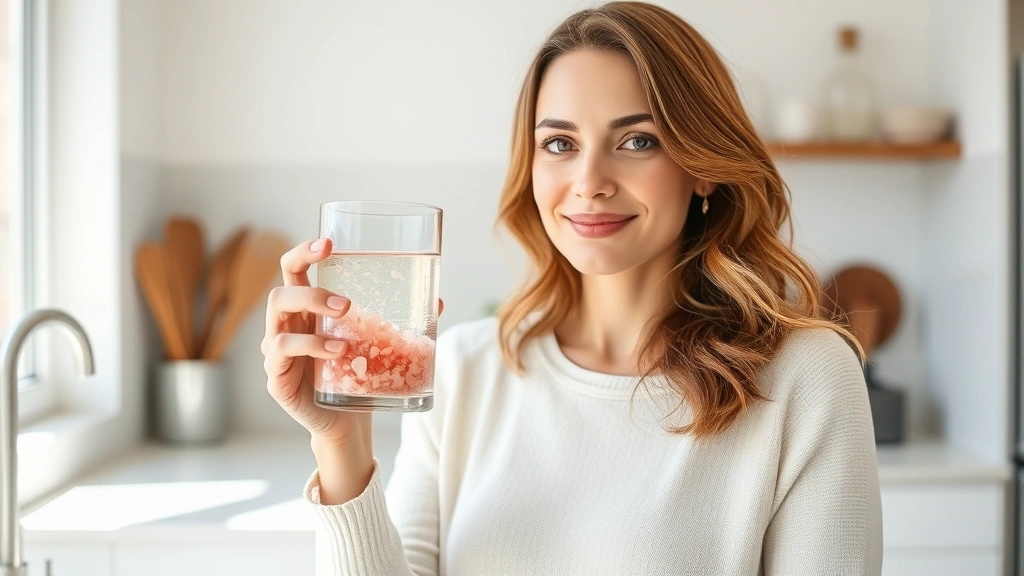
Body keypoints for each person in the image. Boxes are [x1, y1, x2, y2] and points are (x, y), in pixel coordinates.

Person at [261, 2, 883, 574]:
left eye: (637, 141)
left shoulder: (807, 377)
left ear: (702, 168)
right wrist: (339, 441)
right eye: (559, 144)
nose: (589, 181)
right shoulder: (463, 370)